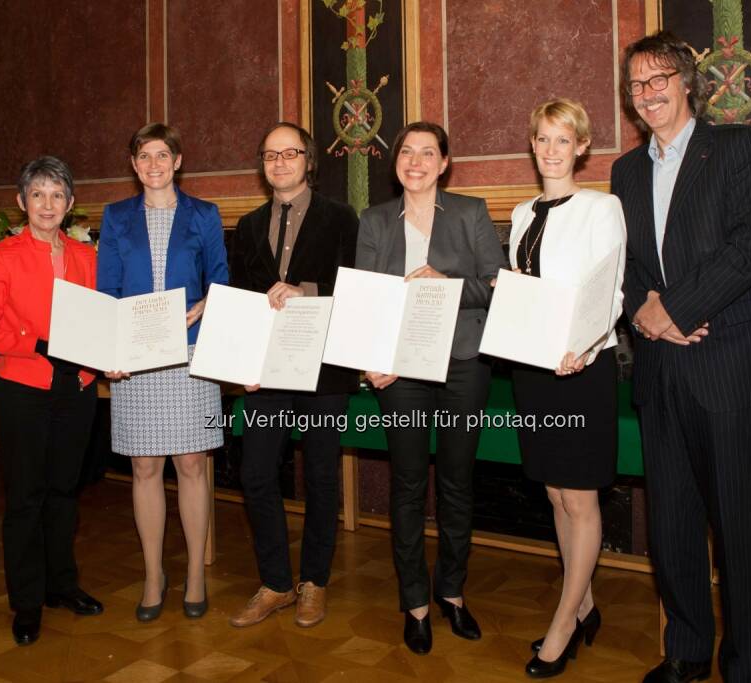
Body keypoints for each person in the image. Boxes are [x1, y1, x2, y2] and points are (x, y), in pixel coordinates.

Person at [610, 31, 751, 683]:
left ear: (687, 82)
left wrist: (675, 310)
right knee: (674, 523)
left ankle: (741, 666)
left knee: (734, 526)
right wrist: (645, 313)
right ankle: (686, 652)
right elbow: (626, 264)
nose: (648, 93)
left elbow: (748, 249)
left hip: (728, 362)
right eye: (637, 84)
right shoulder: (625, 171)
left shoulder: (740, 148)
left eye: (660, 79)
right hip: (660, 369)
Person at [355, 121, 509, 655]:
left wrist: (448, 285)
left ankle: (453, 591)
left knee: (457, 483)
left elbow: (498, 284)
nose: (415, 161)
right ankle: (415, 602)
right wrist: (373, 361)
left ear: (445, 162)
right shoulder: (374, 220)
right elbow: (367, 297)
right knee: (407, 485)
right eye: (405, 152)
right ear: (394, 161)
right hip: (400, 371)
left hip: (465, 362)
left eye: (427, 152)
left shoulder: (470, 211)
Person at [508, 99, 626, 678]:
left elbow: (610, 292)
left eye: (563, 139)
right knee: (555, 494)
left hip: (583, 367)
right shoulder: (521, 212)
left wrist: (583, 346)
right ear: (531, 144)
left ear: (581, 147)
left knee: (579, 498)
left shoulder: (602, 208)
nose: (550, 149)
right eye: (542, 138)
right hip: (534, 369)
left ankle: (564, 621)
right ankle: (584, 603)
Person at [228, 122, 359, 629]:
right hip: (266, 371)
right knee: (256, 473)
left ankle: (314, 583)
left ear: (308, 160)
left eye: (290, 153)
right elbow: (239, 298)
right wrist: (241, 367)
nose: (280, 162)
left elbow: (355, 287)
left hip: (325, 367)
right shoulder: (247, 225)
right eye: (270, 155)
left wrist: (305, 290)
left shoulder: (342, 218)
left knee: (322, 476)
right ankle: (277, 583)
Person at [0, 156, 103, 646]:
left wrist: (102, 359)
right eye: (39, 194)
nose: (48, 204)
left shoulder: (88, 257)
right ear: (23, 202)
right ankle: (26, 602)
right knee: (26, 497)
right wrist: (38, 344)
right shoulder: (2, 256)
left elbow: (100, 320)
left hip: (78, 390)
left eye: (58, 195)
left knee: (65, 493)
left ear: (70, 204)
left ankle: (61, 586)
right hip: (23, 391)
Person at [97, 123, 229, 622]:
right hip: (134, 359)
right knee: (144, 467)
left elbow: (220, 279)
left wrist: (204, 306)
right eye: (143, 156)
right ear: (134, 165)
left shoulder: (204, 215)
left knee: (192, 464)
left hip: (192, 354)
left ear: (177, 160)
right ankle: (154, 573)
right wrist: (109, 347)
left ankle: (195, 570)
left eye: (162, 155)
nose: (153, 164)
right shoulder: (115, 217)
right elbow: (106, 290)